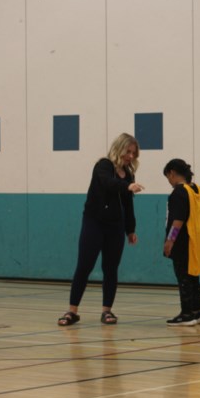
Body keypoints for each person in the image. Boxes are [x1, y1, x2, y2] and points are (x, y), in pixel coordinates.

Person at [58, 133, 144, 326]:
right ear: (119, 148)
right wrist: (127, 185)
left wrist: (130, 229)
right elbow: (108, 183)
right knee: (84, 266)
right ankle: (72, 311)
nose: (130, 156)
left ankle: (107, 310)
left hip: (116, 225)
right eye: (127, 151)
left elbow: (128, 205)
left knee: (111, 268)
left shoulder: (128, 174)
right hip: (94, 222)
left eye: (133, 153)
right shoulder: (103, 166)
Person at [162, 158, 200, 327]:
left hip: (182, 242)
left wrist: (170, 241)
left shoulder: (178, 192)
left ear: (172, 173)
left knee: (183, 277)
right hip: (197, 241)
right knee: (194, 277)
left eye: (168, 178)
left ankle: (186, 313)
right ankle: (197, 312)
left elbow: (178, 220)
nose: (169, 182)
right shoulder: (199, 190)